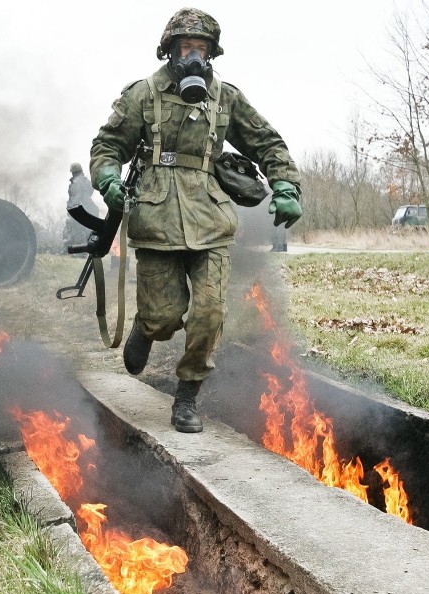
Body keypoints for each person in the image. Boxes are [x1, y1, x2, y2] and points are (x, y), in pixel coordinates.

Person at [89, 7, 302, 433]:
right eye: (185, 47)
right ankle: (147, 329)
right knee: (165, 316)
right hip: (155, 218)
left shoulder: (225, 97)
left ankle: (187, 397)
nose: (193, 56)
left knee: (209, 314)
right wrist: (108, 178)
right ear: (169, 50)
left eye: (201, 49)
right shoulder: (143, 94)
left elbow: (267, 142)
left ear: (211, 54)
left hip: (211, 219)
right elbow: (107, 145)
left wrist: (286, 186)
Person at [62, 162, 99, 254]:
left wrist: (71, 209)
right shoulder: (86, 181)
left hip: (78, 209)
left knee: (74, 229)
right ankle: (82, 251)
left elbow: (75, 197)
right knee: (86, 230)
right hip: (89, 209)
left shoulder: (76, 182)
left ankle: (74, 251)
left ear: (73, 172)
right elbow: (90, 191)